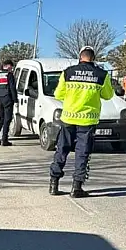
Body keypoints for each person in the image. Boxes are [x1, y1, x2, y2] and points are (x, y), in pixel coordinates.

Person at [48, 46, 115, 198]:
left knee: (62, 149)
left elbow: (58, 94)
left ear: (80, 57)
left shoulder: (68, 72)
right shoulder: (101, 75)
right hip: (88, 119)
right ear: (93, 58)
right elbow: (108, 95)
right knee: (82, 153)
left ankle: (54, 183)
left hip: (68, 118)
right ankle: (76, 187)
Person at [0, 59, 18, 146]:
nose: (11, 69)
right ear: (8, 66)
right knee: (7, 120)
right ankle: (4, 140)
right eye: (11, 67)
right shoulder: (9, 75)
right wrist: (15, 100)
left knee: (1, 119)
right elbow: (12, 88)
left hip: (0, 99)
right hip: (8, 99)